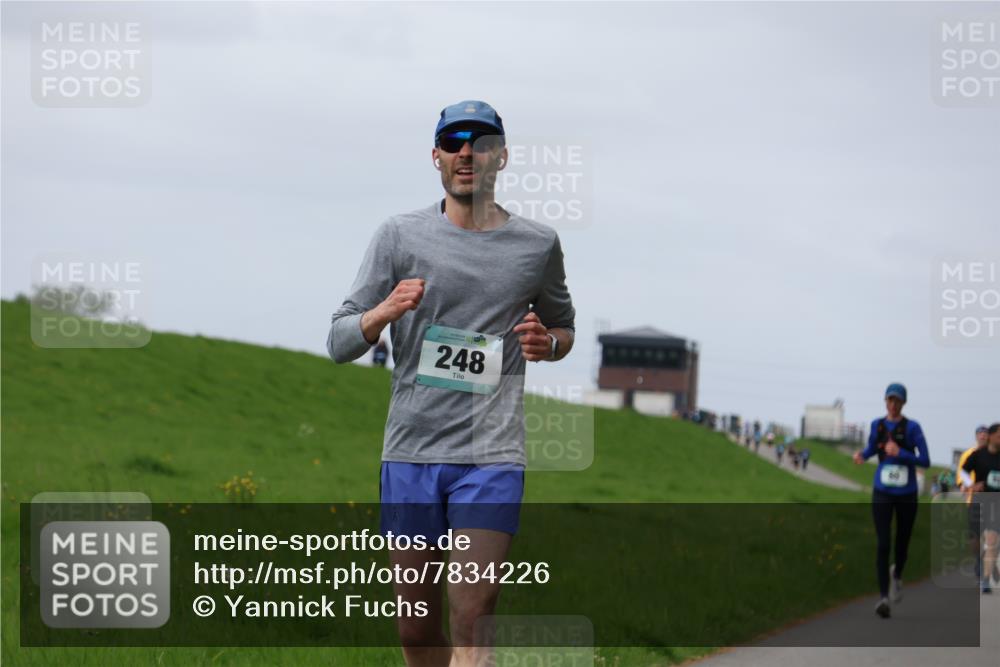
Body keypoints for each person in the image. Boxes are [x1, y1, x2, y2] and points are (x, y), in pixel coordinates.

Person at [326, 100, 576, 666]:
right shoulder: (398, 235)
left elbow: (563, 328)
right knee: (416, 629)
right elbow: (340, 342)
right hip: (411, 453)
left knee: (470, 618)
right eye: (454, 142)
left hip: (491, 456)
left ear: (502, 157)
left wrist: (550, 344)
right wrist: (384, 311)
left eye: (482, 141)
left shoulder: (537, 245)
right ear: (435, 157)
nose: (467, 152)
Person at [853, 383, 930, 618]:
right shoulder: (877, 425)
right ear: (885, 401)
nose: (893, 405)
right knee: (883, 543)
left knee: (902, 543)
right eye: (890, 400)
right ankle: (883, 598)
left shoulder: (913, 428)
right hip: (882, 491)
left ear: (903, 403)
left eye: (897, 401)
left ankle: (897, 575)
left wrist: (902, 453)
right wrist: (861, 456)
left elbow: (925, 460)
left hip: (906, 493)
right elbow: (872, 449)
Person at [960, 423, 1000, 594]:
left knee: (991, 540)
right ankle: (979, 561)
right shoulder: (978, 455)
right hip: (978, 501)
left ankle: (985, 579)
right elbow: (963, 471)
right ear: (991, 436)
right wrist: (971, 485)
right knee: (974, 539)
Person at [957, 425, 989, 581]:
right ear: (976, 436)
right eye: (980, 434)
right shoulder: (969, 454)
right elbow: (961, 474)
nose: (983, 436)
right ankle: (979, 561)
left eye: (985, 434)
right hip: (973, 500)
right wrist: (965, 485)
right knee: (975, 536)